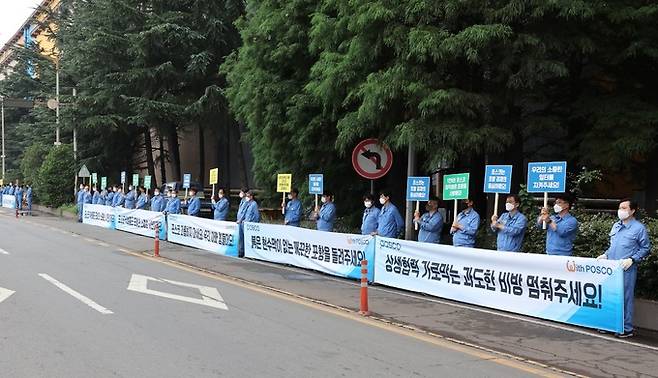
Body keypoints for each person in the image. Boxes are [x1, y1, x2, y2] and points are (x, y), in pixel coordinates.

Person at [597, 199, 651, 338]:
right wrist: (605, 254)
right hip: (611, 268)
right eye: (620, 207)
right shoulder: (616, 226)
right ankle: (609, 324)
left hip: (626, 268)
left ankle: (626, 328)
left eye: (624, 208)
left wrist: (632, 259)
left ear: (632, 211)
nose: (620, 210)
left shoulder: (639, 228)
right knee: (609, 296)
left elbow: (645, 248)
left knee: (625, 298)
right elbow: (613, 245)